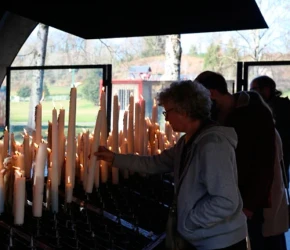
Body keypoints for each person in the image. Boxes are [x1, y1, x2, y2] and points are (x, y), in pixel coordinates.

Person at [95, 80, 247, 250]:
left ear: (184, 110)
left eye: (167, 112)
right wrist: (114, 158)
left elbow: (225, 201)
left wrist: (189, 221)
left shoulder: (213, 146)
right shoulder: (187, 142)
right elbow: (155, 164)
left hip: (221, 242)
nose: (165, 118)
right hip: (204, 238)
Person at [195, 71, 275, 250]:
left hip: (248, 199)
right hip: (222, 198)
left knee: (253, 242)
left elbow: (265, 163)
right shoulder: (213, 117)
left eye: (200, 97)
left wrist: (250, 205)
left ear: (211, 93)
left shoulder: (255, 113)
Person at [250, 75, 290, 181]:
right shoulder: (282, 105)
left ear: (266, 90)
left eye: (254, 89)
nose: (251, 93)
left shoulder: (276, 108)